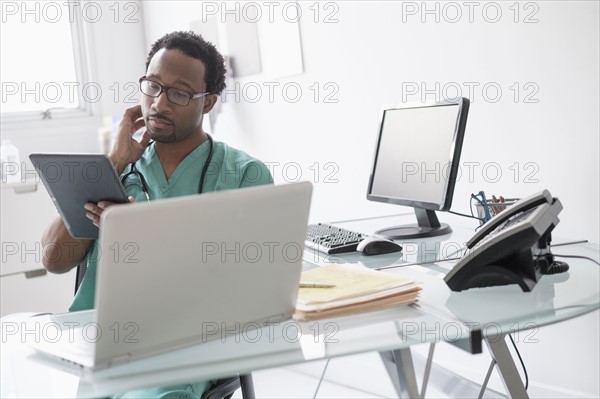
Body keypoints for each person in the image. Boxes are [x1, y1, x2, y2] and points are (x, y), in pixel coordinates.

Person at [41, 31, 273, 398]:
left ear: (208, 102)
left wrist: (142, 240)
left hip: (185, 348)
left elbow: (253, 296)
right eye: (152, 86)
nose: (159, 104)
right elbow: (53, 260)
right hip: (95, 347)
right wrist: (114, 161)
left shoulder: (245, 175)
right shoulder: (115, 171)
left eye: (179, 93)